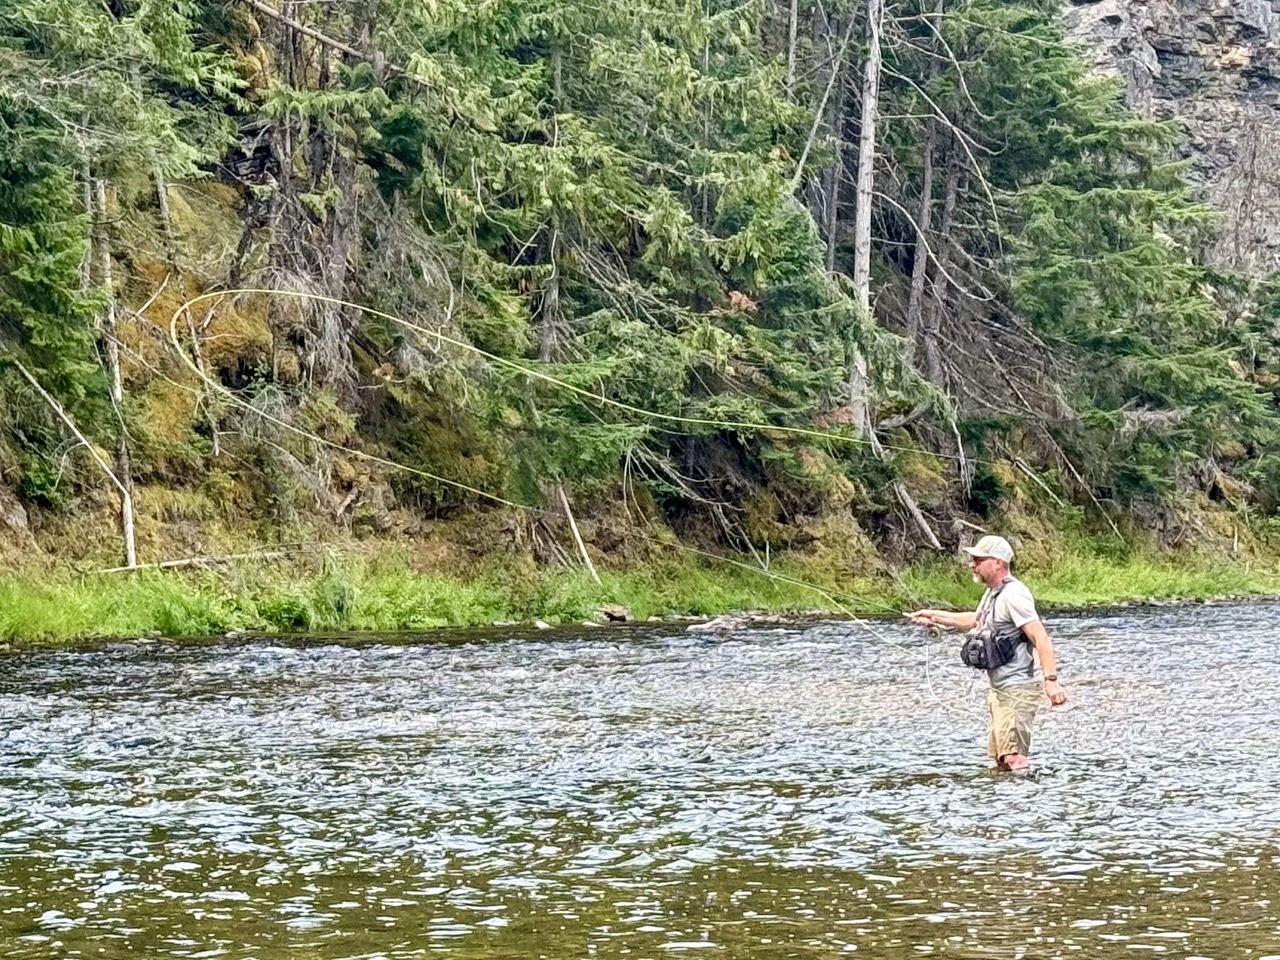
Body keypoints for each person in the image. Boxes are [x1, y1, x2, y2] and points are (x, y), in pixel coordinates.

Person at [906, 535, 1067, 771]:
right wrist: (933, 615)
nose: (972, 564)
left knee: (1015, 759)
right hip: (1001, 690)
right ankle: (1004, 803)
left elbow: (1040, 636)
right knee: (1002, 760)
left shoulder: (1015, 595)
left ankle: (1026, 802)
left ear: (998, 563)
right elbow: (975, 620)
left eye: (979, 559)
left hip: (1017, 688)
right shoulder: (994, 592)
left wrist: (1051, 681)